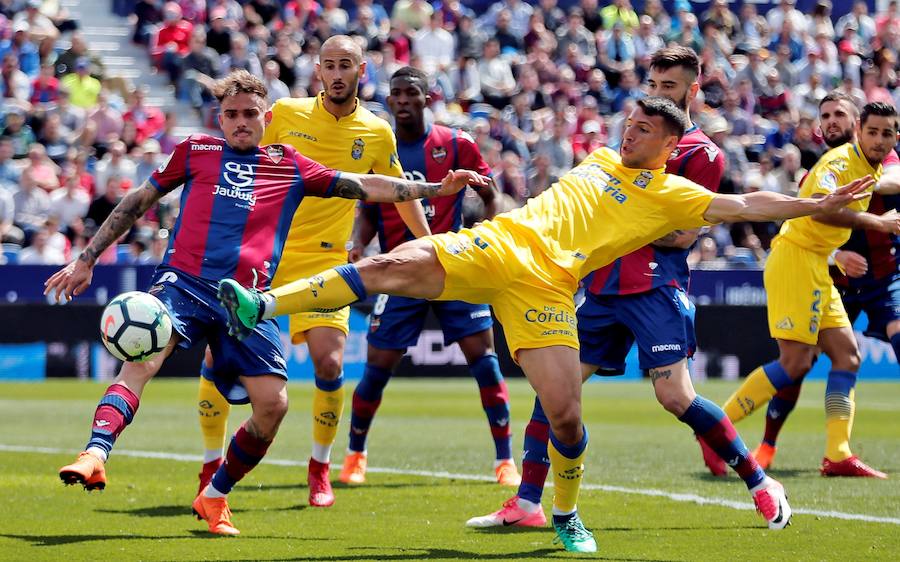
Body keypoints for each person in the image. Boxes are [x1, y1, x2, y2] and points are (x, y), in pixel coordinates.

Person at [217, 96, 873, 552]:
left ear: (670, 146)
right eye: (630, 124)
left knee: (565, 417)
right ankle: (261, 304)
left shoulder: (674, 193)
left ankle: (562, 512)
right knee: (391, 262)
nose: (628, 135)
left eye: (644, 131)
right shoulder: (597, 158)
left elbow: (746, 202)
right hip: (500, 245)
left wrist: (813, 201)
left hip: (552, 291)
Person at [45, 69, 488, 536]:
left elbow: (364, 185)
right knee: (144, 359)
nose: (240, 122)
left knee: (273, 407)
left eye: (249, 114)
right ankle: (95, 452)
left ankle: (214, 496)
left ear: (265, 117)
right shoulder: (196, 151)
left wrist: (435, 190)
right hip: (184, 285)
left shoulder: (289, 163)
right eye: (231, 114)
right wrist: (87, 258)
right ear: (220, 117)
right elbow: (138, 200)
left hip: (247, 301)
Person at [466, 46, 786, 536]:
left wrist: (619, 218)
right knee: (555, 391)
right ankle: (529, 501)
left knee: (675, 396)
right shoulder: (628, 142)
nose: (658, 96)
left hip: (655, 282)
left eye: (670, 88)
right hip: (601, 282)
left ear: (692, 91)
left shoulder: (700, 153)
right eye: (652, 87)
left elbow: (682, 234)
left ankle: (761, 483)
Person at [193, 35, 432, 509]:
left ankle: (320, 466)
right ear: (318, 71)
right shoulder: (285, 114)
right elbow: (240, 157)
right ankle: (209, 462)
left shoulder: (378, 132)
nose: (337, 72)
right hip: (263, 253)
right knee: (215, 361)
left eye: (346, 64)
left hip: (324, 259)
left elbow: (397, 189)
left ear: (361, 71)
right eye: (329, 65)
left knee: (330, 363)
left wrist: (429, 244)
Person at [701, 97, 899, 480]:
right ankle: (714, 432)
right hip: (796, 258)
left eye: (886, 133)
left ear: (895, 138)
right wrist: (877, 223)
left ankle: (837, 454)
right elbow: (822, 207)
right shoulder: (839, 162)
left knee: (847, 355)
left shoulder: (871, 167)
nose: (878, 139)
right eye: (871, 131)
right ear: (860, 130)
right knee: (795, 362)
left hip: (817, 262)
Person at [339, 67, 519, 487]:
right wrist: (359, 243)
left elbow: (491, 196)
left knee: (486, 365)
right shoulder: (380, 148)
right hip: (399, 271)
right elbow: (369, 208)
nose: (402, 100)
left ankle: (505, 461)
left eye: (410, 93)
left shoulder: (456, 143)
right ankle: (355, 455)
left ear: (426, 98)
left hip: (454, 266)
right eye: (395, 94)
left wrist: (484, 238)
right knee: (376, 369)